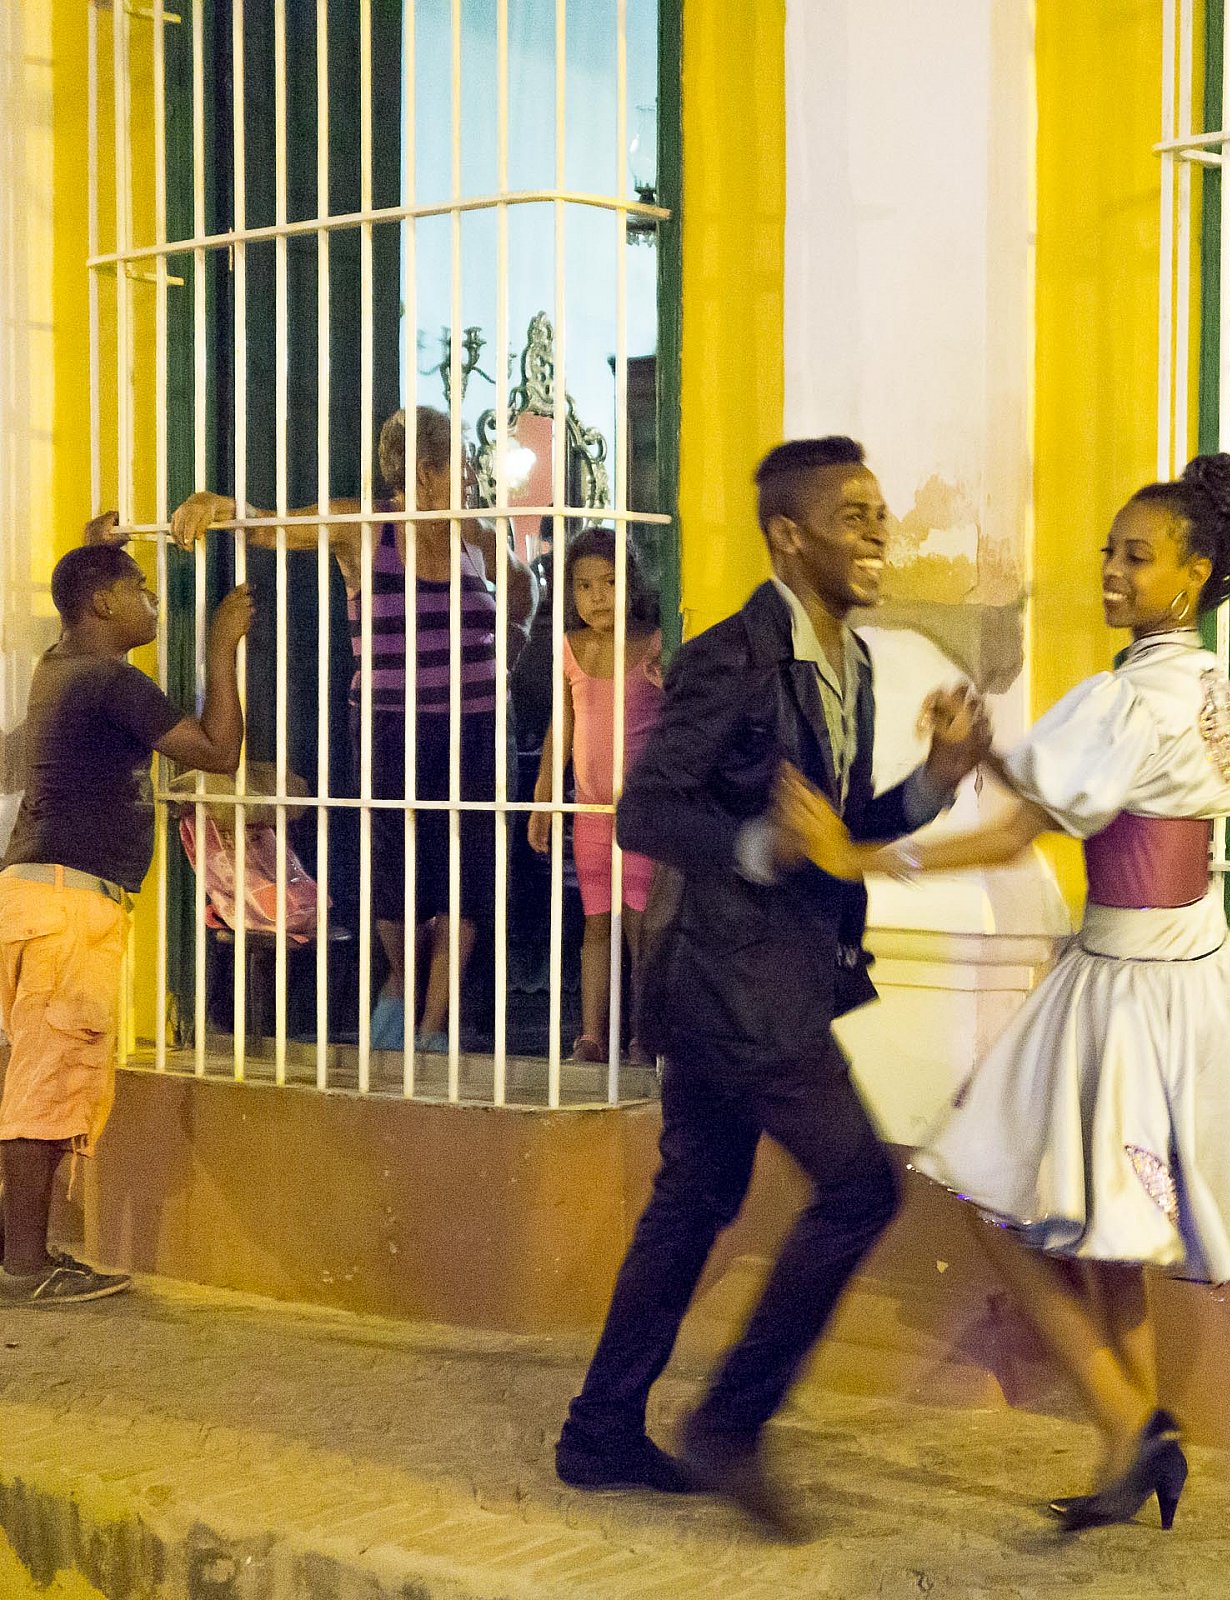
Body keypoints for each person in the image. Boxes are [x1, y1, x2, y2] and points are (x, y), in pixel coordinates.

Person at [797, 453, 1230, 1533]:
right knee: (1113, 1227)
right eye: (1109, 550)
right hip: (1187, 973)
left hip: (1128, 985)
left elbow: (1018, 829)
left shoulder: (1128, 696)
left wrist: (864, 858)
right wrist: (981, 754)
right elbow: (1083, 788)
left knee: (985, 1187)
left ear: (1193, 577)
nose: (1110, 570)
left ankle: (1129, 1421)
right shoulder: (1205, 687)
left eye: (1136, 557)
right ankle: (1131, 1437)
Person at [553, 436, 992, 1533]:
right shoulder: (734, 657)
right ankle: (729, 1424)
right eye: (853, 516)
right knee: (861, 1189)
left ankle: (599, 1431)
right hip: (735, 981)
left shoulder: (852, 661)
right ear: (789, 536)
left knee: (696, 1198)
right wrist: (759, 845)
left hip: (765, 976)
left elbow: (832, 832)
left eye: (880, 513)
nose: (879, 533)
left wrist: (933, 782)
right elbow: (647, 810)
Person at [172, 407, 537, 1054]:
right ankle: (403, 985)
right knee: (397, 869)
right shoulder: (366, 527)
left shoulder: (477, 533)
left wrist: (501, 654)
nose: (472, 476)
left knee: (470, 871)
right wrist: (222, 507)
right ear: (422, 472)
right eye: (460, 464)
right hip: (392, 725)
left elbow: (520, 592)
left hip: (479, 726)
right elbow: (274, 529)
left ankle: (431, 1026)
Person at [0, 513, 253, 1306]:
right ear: (104, 605)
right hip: (68, 908)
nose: (154, 603)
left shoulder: (58, 667)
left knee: (38, 1078)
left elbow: (81, 598)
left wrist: (94, 551)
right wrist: (222, 646)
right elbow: (217, 752)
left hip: (36, 895)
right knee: (44, 1090)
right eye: (140, 590)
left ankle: (25, 1256)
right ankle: (24, 1269)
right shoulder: (111, 681)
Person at [528, 527, 664, 1064]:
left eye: (609, 583)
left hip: (642, 814)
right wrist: (544, 798)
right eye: (584, 587)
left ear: (632, 584)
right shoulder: (570, 648)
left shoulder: (656, 646)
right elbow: (560, 728)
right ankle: (591, 1036)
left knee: (642, 927)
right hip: (589, 811)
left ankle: (644, 1035)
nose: (597, 597)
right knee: (596, 924)